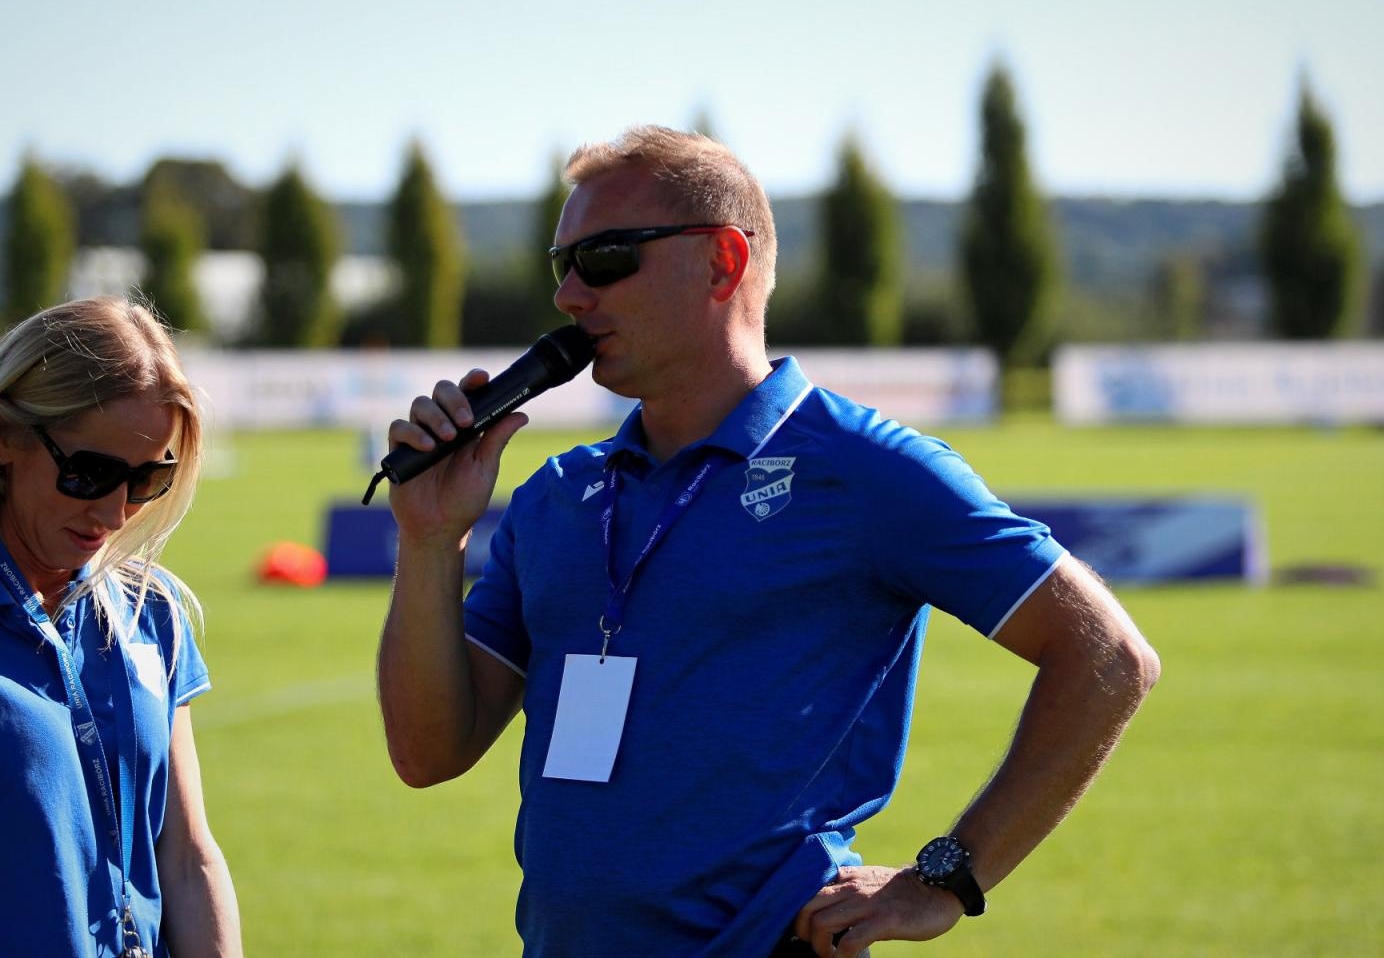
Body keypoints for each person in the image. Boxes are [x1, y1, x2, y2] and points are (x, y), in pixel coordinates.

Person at [376, 126, 1160, 957]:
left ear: (722, 260)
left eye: (604, 258)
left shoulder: (864, 468)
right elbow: (428, 753)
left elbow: (1108, 656)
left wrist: (947, 877)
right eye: (560, 265)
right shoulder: (558, 495)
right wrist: (430, 542)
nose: (570, 296)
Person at [0, 297, 242, 957]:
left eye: (148, 478)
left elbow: (186, 858)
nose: (116, 511)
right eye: (89, 473)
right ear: (2, 435)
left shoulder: (155, 613)